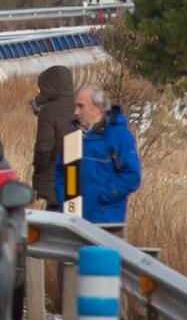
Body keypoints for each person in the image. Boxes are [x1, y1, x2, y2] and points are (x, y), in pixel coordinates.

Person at [59, 85, 142, 228]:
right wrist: (65, 201)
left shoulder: (118, 135)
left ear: (97, 108)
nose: (76, 112)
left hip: (105, 223)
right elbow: (63, 174)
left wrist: (102, 197)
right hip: (73, 222)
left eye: (81, 106)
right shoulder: (73, 138)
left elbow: (132, 175)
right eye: (75, 106)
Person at [29, 65, 76, 209]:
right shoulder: (80, 105)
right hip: (77, 176)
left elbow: (44, 148)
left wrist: (38, 170)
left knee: (54, 221)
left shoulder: (49, 112)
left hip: (54, 177)